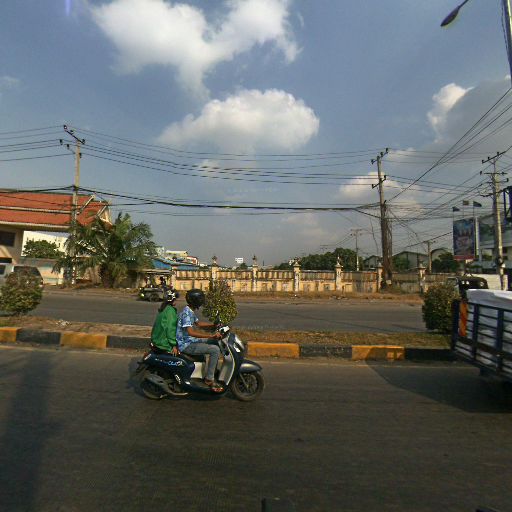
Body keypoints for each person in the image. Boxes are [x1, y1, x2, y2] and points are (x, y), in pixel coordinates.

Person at [176, 289, 222, 388]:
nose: (202, 302)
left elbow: (198, 324)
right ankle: (209, 379)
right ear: (195, 301)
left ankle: (212, 370)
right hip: (186, 345)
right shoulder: (186, 313)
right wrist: (210, 335)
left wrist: (213, 325)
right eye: (200, 299)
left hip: (190, 341)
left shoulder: (189, 311)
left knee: (215, 342)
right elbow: (191, 332)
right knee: (215, 350)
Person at [150, 289, 180, 355]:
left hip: (156, 340)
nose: (176, 301)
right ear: (171, 300)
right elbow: (170, 329)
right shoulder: (170, 311)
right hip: (164, 344)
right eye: (175, 299)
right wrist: (174, 345)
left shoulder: (164, 308)